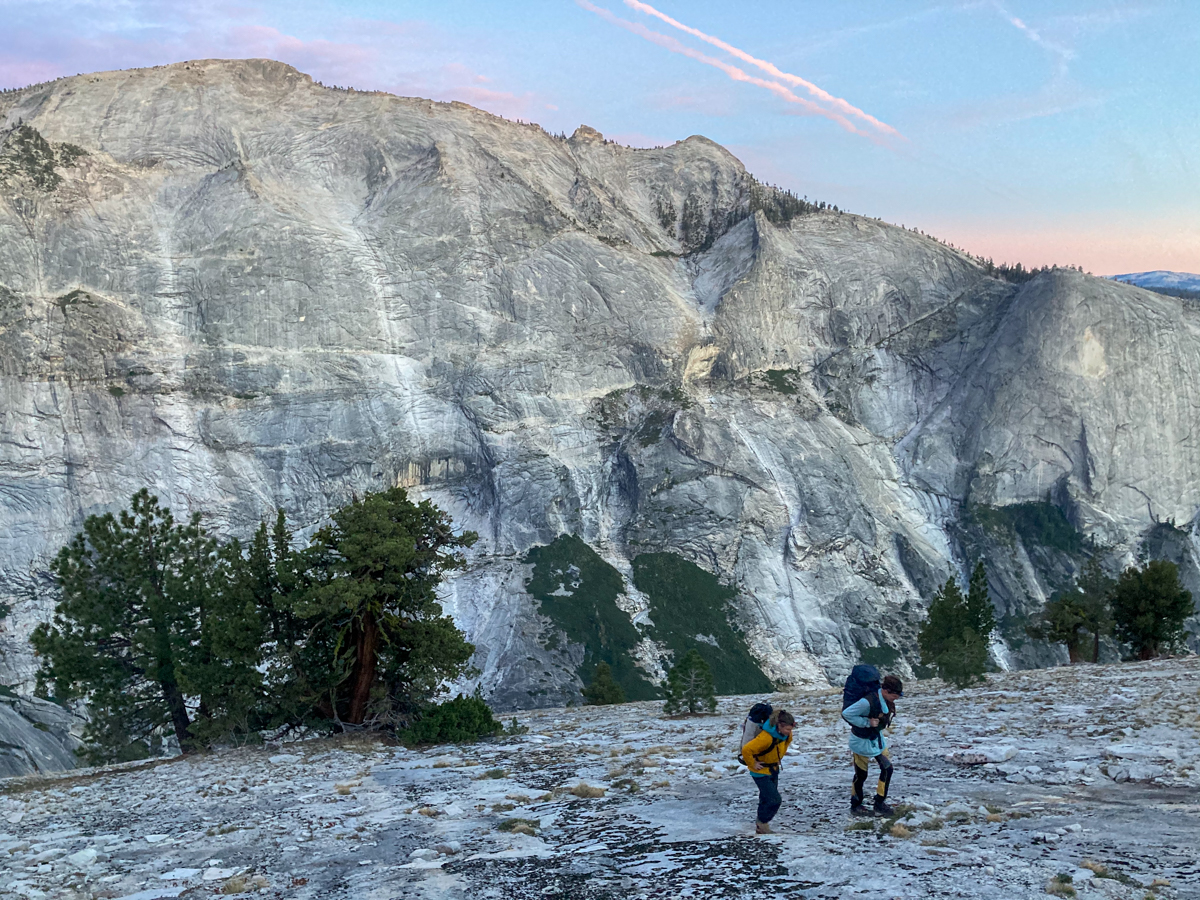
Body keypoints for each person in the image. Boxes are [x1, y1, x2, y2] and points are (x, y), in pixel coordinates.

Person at [842, 674, 903, 817]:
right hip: (861, 741)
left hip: (877, 739)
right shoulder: (866, 702)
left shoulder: (882, 699)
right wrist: (866, 723)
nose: (897, 699)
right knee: (861, 774)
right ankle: (856, 805)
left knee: (887, 769)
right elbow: (847, 714)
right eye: (895, 695)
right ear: (886, 691)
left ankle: (880, 802)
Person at [741, 709, 795, 834]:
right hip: (760, 772)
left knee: (765, 798)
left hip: (773, 769)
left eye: (790, 729)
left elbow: (787, 742)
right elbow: (747, 750)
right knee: (774, 799)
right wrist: (753, 764)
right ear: (779, 726)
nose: (789, 733)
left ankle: (761, 826)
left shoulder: (785, 734)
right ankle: (762, 823)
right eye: (787, 729)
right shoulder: (765, 737)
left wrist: (777, 758)